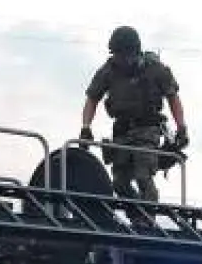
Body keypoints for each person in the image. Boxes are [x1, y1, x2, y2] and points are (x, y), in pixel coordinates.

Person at [80, 25, 188, 202]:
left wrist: (181, 128)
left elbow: (173, 97)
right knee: (119, 183)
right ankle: (137, 213)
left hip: (147, 130)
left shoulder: (155, 69)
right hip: (121, 131)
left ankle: (149, 214)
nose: (121, 59)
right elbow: (92, 99)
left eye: (124, 54)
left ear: (135, 51)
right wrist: (86, 127)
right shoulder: (108, 70)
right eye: (117, 54)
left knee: (143, 176)